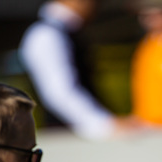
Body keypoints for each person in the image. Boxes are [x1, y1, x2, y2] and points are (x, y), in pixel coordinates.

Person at [19, 0, 137, 140]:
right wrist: (106, 125)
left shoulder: (66, 32)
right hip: (68, 143)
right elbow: (60, 93)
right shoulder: (46, 34)